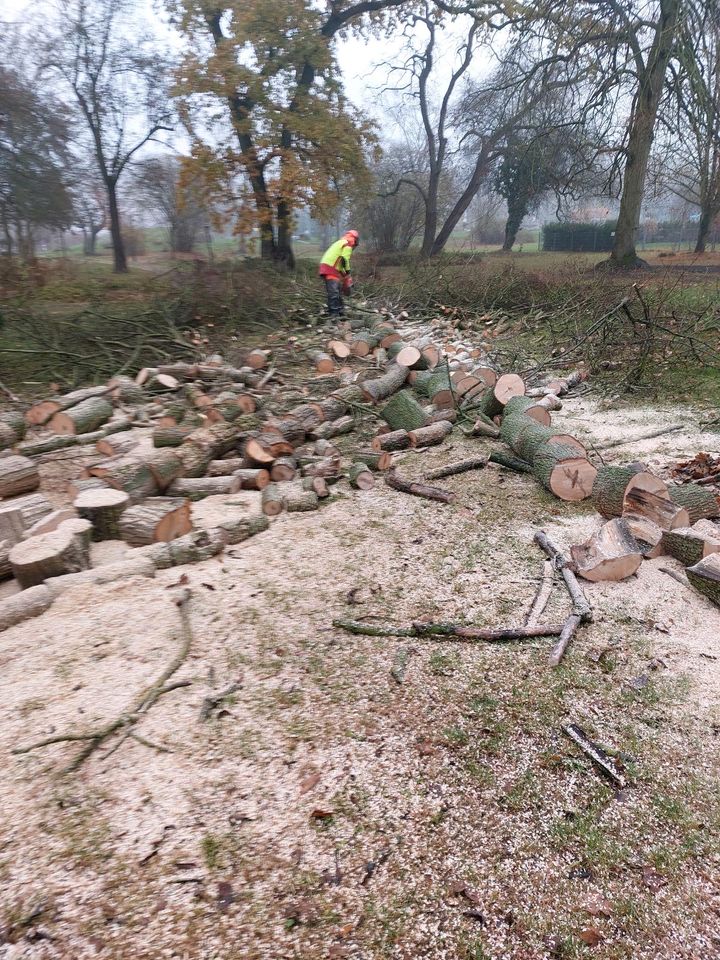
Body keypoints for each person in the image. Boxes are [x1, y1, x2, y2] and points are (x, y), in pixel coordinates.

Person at [318, 230, 359, 319]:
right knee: (334, 291)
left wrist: (345, 277)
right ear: (355, 240)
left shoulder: (341, 242)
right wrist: (348, 272)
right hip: (330, 267)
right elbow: (344, 259)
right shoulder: (348, 244)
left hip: (328, 266)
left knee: (337, 290)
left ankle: (340, 311)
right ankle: (334, 314)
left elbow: (339, 262)